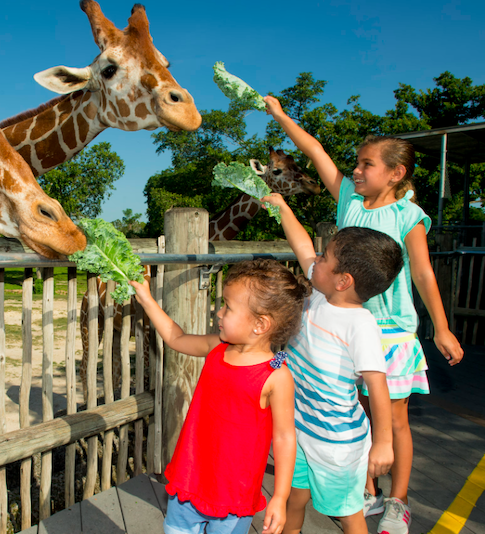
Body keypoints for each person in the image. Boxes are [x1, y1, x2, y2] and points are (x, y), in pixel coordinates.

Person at [265, 94, 465, 534]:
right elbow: (315, 150)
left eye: (366, 164)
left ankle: (399, 499)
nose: (356, 170)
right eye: (356, 162)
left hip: (390, 331)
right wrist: (280, 116)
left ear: (396, 173)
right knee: (351, 408)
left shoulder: (409, 215)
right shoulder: (349, 203)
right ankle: (366, 489)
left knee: (391, 420)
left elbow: (424, 273)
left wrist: (442, 328)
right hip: (344, 323)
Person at [130, 259, 309, 534]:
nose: (219, 313)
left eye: (228, 307)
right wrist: (146, 298)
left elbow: (285, 437)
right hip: (190, 478)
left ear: (260, 324)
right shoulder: (218, 347)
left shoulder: (276, 376)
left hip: (233, 496)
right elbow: (175, 338)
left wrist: (280, 497)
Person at [263, 192, 402, 534]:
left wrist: (383, 442)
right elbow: (301, 244)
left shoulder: (360, 325)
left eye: (324, 257)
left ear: (343, 281)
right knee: (294, 498)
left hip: (337, 442)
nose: (315, 260)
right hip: (299, 426)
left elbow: (378, 386)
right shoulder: (319, 292)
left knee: (347, 512)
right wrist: (283, 209)